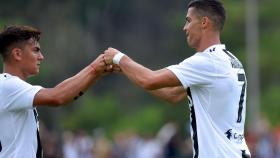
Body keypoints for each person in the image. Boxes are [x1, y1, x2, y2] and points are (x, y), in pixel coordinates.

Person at [103, 0, 251, 157]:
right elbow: (172, 94)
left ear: (204, 22)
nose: (185, 27)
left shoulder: (208, 61)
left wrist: (119, 57)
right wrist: (127, 70)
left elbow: (150, 80)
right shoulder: (230, 60)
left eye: (188, 20)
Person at [0, 25, 110, 158]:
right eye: (36, 50)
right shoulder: (7, 85)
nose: (41, 57)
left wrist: (96, 74)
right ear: (17, 54)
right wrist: (94, 68)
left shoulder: (11, 87)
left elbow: (61, 95)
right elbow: (58, 97)